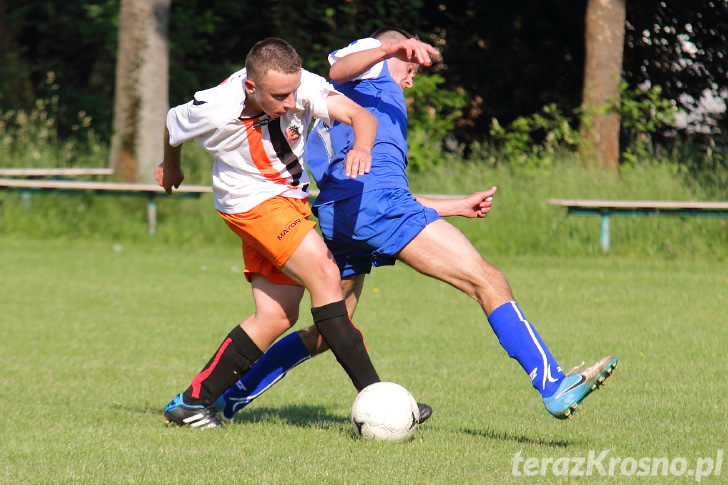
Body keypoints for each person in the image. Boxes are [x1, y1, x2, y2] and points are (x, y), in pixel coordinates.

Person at [214, 29, 618, 422]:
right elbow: (339, 67)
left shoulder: (348, 106)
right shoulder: (370, 70)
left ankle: (229, 397)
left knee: (329, 330)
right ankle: (553, 384)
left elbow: (377, 189)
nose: (411, 78)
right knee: (487, 280)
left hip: (344, 215)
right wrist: (390, 46)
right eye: (410, 68)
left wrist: (455, 205)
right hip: (376, 207)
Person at [158, 37, 392, 429]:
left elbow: (362, 117)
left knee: (276, 315)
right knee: (326, 274)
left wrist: (362, 148)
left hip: (289, 201)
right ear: (251, 87)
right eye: (280, 96)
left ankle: (190, 403)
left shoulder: (301, 85)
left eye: (293, 92)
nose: (291, 103)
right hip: (251, 203)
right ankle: (379, 401)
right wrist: (172, 167)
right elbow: (172, 124)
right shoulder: (215, 109)